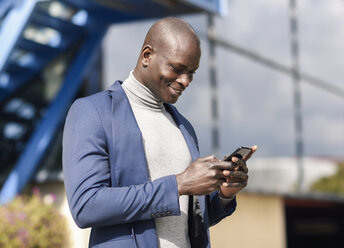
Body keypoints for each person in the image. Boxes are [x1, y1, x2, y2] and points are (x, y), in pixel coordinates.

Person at [62, 17, 256, 248]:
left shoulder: (183, 126)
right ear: (147, 55)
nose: (185, 81)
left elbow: (186, 221)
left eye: (192, 72)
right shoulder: (93, 112)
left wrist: (224, 195)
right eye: (177, 68)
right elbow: (86, 206)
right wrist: (179, 184)